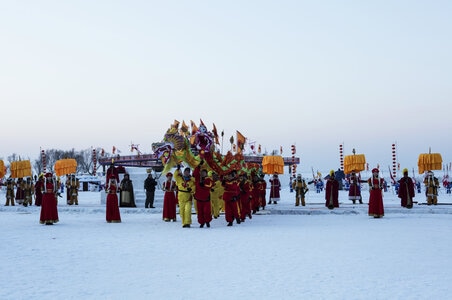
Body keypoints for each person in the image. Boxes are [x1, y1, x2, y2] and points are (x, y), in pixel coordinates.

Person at [193, 160, 214, 228]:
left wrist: (203, 185)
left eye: (204, 173)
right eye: (201, 172)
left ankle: (207, 221)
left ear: (206, 173)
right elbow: (195, 172)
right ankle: (201, 222)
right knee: (200, 212)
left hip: (206, 199)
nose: (202, 174)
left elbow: (210, 186)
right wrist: (198, 166)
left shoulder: (208, 179)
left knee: (207, 211)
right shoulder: (198, 179)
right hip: (199, 199)